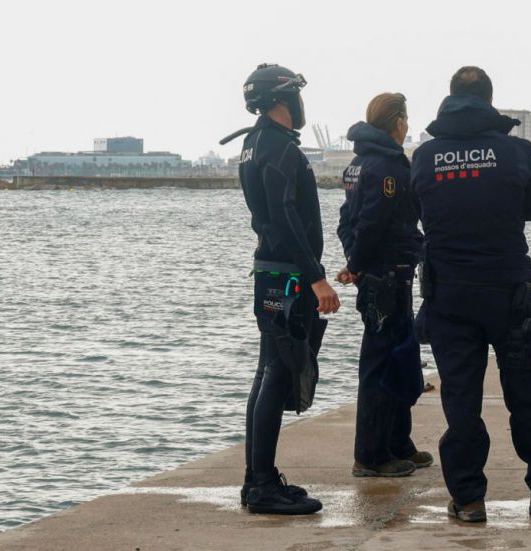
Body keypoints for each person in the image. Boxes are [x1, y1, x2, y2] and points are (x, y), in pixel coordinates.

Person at [411, 66, 531, 522]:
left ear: (450, 98)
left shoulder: (425, 157)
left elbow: (414, 212)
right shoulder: (516, 151)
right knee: (526, 395)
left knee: (460, 400)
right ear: (489, 98)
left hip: (448, 298)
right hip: (508, 292)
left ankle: (468, 499)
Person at [226, 63, 340, 515]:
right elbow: (285, 217)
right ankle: (262, 486)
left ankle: (259, 479)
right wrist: (315, 277)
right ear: (282, 100)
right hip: (288, 275)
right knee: (277, 372)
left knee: (267, 371)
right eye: (296, 94)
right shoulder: (279, 149)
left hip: (270, 269)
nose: (300, 103)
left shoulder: (252, 145)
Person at [336, 93, 433, 478]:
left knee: (401, 358)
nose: (408, 126)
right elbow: (375, 225)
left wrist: (355, 264)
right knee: (381, 364)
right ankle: (371, 455)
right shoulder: (389, 168)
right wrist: (360, 265)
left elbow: (348, 222)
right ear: (398, 122)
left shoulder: (357, 165)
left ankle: (397, 442)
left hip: (383, 272)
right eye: (406, 119)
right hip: (388, 276)